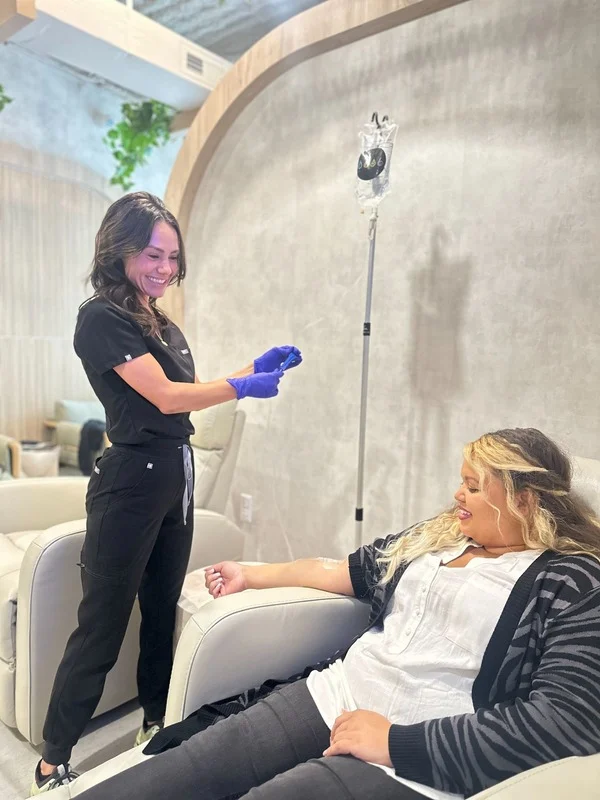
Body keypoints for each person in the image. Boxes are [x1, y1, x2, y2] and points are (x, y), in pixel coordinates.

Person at [71, 428, 600, 800]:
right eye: (461, 480)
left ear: (525, 500)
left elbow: (566, 723)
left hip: (410, 758)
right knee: (176, 773)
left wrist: (397, 743)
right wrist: (251, 574)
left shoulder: (572, 581)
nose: (457, 494)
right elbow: (339, 570)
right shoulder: (438, 537)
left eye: (474, 486)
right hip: (333, 694)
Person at [32, 191, 302, 794]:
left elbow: (185, 394)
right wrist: (241, 386)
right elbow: (164, 396)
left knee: (161, 613)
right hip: (129, 483)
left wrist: (250, 368)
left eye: (173, 257)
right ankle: (52, 762)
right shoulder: (100, 317)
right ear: (120, 249)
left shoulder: (162, 324)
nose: (164, 267)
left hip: (175, 476)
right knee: (100, 627)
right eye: (153, 254)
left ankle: (154, 725)